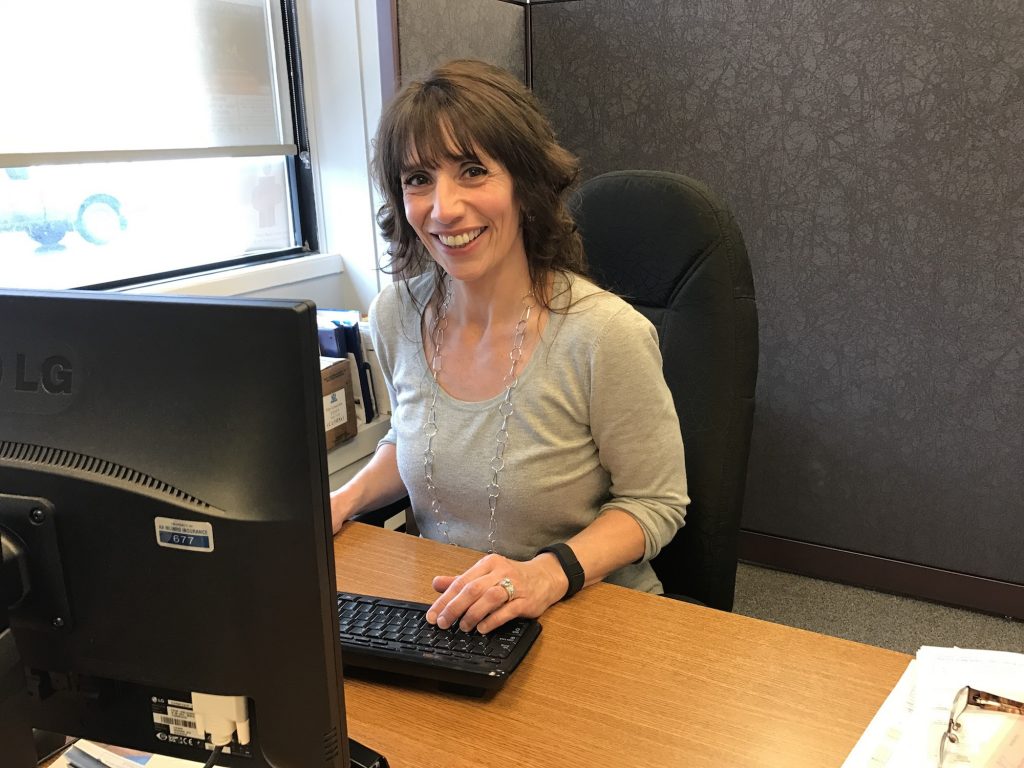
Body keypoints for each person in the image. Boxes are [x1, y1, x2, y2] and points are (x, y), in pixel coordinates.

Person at [330, 59, 688, 635]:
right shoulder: (396, 314)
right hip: (450, 612)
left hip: (588, 613)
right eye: (418, 179)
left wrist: (546, 575)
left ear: (525, 184)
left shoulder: (605, 335)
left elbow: (655, 504)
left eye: (472, 170)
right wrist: (342, 499)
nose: (443, 208)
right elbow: (414, 438)